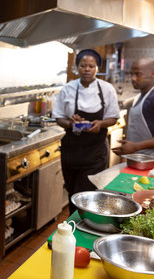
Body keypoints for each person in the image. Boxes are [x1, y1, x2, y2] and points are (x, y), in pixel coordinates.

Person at [52, 49, 120, 213]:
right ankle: (72, 230)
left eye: (91, 66)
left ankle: (82, 227)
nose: (87, 69)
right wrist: (71, 123)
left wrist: (100, 124)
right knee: (72, 192)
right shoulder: (68, 89)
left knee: (85, 194)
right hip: (71, 151)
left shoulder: (107, 89)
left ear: (97, 68)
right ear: (77, 68)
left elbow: (113, 118)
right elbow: (58, 118)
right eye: (83, 65)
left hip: (95, 152)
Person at [112, 57, 154, 160]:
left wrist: (136, 146)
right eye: (131, 74)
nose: (133, 78)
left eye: (138, 74)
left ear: (153, 74)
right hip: (139, 159)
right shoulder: (141, 96)